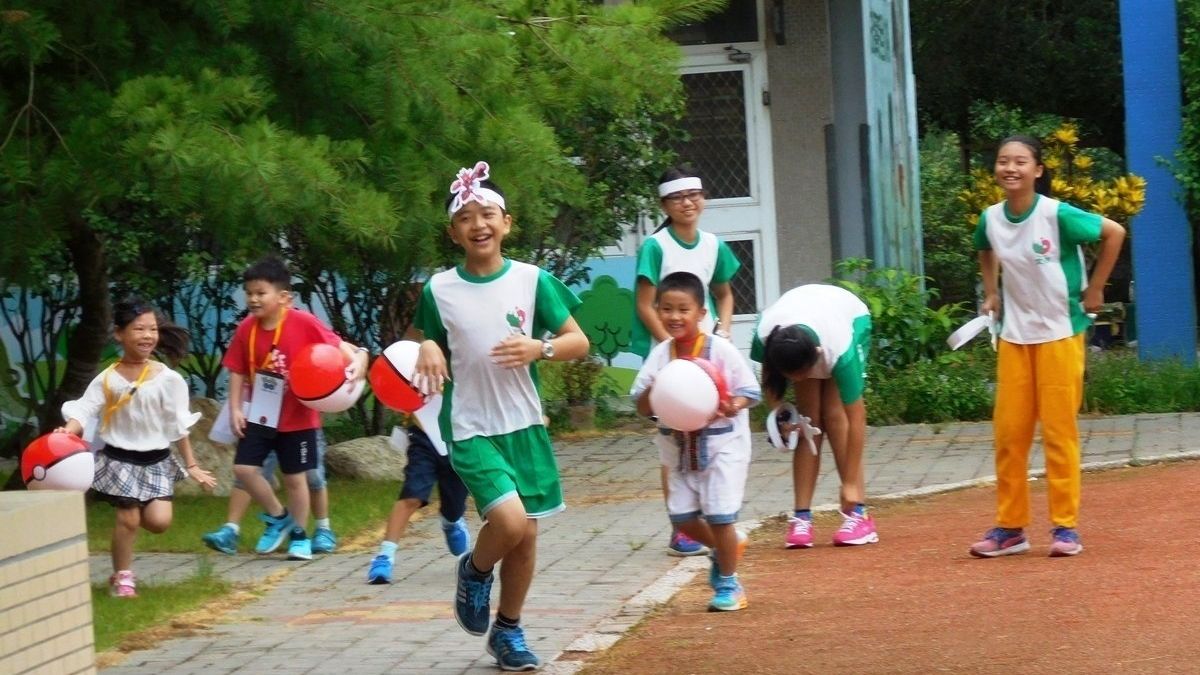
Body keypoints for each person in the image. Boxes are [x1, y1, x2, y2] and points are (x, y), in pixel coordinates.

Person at [413, 160, 589, 671]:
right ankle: (473, 569)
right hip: (470, 426)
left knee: (526, 533)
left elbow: (578, 340)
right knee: (509, 523)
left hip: (524, 424)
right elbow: (422, 340)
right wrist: (425, 343)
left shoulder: (534, 281)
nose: (478, 224)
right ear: (453, 233)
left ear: (507, 223)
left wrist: (541, 348)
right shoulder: (439, 289)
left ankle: (507, 631)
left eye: (487, 213)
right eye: (466, 217)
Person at [969, 134, 1125, 558]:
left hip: (1060, 332)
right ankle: (1011, 528)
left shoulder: (1058, 215)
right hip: (1015, 336)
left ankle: (1065, 527)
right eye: (1003, 161)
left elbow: (1114, 232)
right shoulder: (990, 218)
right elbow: (985, 249)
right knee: (1009, 435)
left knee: (1059, 433)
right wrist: (991, 291)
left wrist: (1096, 289)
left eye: (1020, 161)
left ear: (1038, 170)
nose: (1010, 169)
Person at [57, 297, 217, 598]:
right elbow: (82, 412)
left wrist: (192, 465)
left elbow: (177, 425)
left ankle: (125, 553)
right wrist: (66, 433)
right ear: (119, 334)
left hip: (157, 461)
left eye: (152, 329)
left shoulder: (169, 380)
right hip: (119, 459)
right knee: (127, 518)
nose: (147, 336)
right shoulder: (106, 379)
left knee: (159, 522)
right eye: (139, 329)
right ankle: (122, 576)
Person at [211, 256, 368, 561]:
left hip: (299, 419)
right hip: (260, 415)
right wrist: (234, 409)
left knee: (297, 479)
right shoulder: (246, 329)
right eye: (249, 293)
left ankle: (300, 536)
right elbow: (237, 370)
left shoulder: (304, 322)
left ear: (284, 297)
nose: (254, 299)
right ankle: (279, 517)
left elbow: (339, 347)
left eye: (261, 293)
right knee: (244, 468)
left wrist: (360, 359)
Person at [631, 271, 760, 611]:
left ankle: (730, 584)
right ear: (657, 310)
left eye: (683, 309)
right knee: (682, 519)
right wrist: (658, 388)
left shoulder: (722, 350)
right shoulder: (660, 355)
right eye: (667, 309)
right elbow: (641, 404)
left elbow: (749, 390)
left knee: (720, 515)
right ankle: (726, 547)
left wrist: (733, 405)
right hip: (677, 449)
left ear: (702, 314)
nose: (675, 317)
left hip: (723, 447)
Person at [631, 165, 742, 557]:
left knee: (711, 431)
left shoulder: (713, 243)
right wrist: (673, 353)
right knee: (673, 435)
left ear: (704, 199)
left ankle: (716, 515)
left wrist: (722, 331)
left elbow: (724, 294)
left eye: (694, 195)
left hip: (708, 356)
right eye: (677, 198)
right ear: (664, 203)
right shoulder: (655, 246)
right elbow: (645, 305)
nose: (687, 203)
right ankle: (681, 526)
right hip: (674, 357)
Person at [752, 284, 876, 549]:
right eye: (792, 377)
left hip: (849, 319)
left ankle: (859, 514)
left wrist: (851, 483)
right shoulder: (767, 336)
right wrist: (781, 416)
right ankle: (802, 516)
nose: (799, 381)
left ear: (817, 357)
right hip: (803, 325)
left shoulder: (839, 350)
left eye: (803, 374)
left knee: (834, 415)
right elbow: (769, 380)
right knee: (808, 420)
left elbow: (857, 418)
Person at [366, 420, 471, 584]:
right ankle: (385, 556)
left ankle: (451, 522)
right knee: (411, 496)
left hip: (459, 439)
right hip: (423, 439)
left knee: (453, 508)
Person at [201, 430, 337, 555]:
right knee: (247, 473)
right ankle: (231, 529)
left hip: (300, 424)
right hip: (266, 421)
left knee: (312, 476)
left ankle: (322, 529)